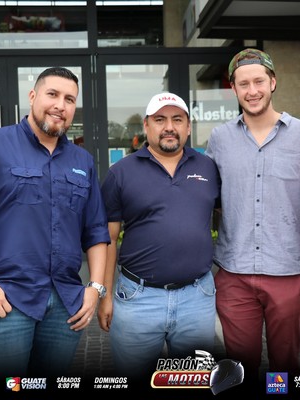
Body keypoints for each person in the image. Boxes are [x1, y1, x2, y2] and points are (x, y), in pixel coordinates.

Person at [0, 67, 110, 382]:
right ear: (33, 96)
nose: (60, 105)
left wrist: (94, 289)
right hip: (6, 301)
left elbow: (96, 232)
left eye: (69, 99)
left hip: (65, 305)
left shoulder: (83, 162)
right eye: (53, 94)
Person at [205, 49, 300, 389]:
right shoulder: (220, 139)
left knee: (285, 364)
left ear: (272, 82)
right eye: (243, 84)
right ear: (234, 89)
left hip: (287, 270)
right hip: (234, 272)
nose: (252, 90)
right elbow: (205, 196)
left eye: (259, 81)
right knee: (240, 367)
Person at [98, 92, 220, 385]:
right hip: (138, 300)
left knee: (193, 381)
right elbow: (108, 239)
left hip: (197, 298)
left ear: (188, 127)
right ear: (146, 126)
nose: (169, 127)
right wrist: (105, 295)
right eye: (160, 120)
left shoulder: (208, 168)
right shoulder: (120, 173)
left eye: (177, 120)